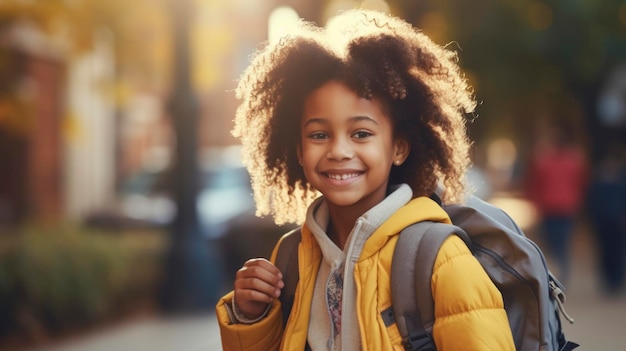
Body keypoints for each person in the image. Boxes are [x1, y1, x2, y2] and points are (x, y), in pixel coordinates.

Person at [216, 9, 515, 350]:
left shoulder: (439, 259)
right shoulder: (290, 258)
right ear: (298, 150)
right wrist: (251, 317)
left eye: (360, 133)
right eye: (318, 135)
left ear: (398, 148)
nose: (339, 150)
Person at [524, 121, 589, 284]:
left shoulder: (543, 161)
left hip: (548, 207)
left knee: (550, 241)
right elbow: (582, 182)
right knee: (563, 243)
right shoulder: (575, 160)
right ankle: (563, 274)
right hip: (567, 207)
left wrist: (534, 202)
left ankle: (553, 273)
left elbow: (534, 183)